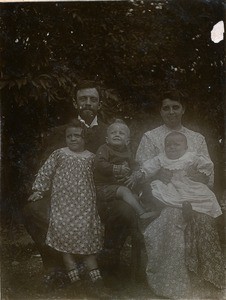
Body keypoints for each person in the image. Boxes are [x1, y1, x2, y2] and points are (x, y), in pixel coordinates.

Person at [136, 90, 225, 299]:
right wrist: (159, 175)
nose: (171, 111)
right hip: (163, 197)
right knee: (173, 219)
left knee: (203, 220)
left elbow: (207, 172)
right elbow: (142, 171)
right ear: (160, 111)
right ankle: (175, 283)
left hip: (192, 194)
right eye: (166, 107)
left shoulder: (196, 138)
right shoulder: (150, 137)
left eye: (175, 107)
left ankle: (207, 279)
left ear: (183, 109)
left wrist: (199, 177)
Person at [23, 80, 107, 289]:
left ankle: (105, 264)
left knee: (114, 212)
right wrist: (40, 189)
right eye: (83, 99)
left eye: (93, 99)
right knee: (32, 210)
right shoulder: (60, 132)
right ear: (75, 102)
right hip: (63, 196)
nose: (87, 103)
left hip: (97, 194)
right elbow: (47, 166)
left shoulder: (110, 131)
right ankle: (54, 266)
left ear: (99, 104)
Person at [94, 119, 157, 270]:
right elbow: (99, 163)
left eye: (121, 133)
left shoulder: (127, 153)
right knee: (124, 192)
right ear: (106, 138)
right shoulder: (104, 149)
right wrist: (116, 168)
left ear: (127, 140)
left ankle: (139, 226)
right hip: (102, 188)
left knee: (133, 196)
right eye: (113, 132)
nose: (117, 135)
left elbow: (135, 166)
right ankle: (141, 213)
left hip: (118, 188)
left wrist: (133, 175)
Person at [140, 131, 222, 219]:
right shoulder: (162, 158)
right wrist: (141, 173)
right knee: (156, 189)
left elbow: (206, 164)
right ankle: (157, 211)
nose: (172, 147)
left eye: (176, 144)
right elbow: (149, 166)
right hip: (170, 186)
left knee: (206, 195)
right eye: (168, 145)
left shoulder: (190, 157)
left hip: (189, 185)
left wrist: (201, 172)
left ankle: (193, 210)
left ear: (185, 148)